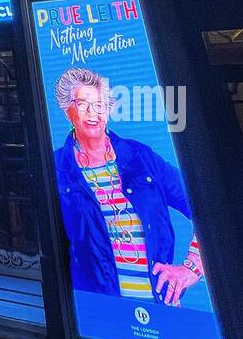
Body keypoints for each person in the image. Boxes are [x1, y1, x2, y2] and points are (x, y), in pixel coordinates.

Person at [53, 67, 203, 307]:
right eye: (82, 104)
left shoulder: (141, 157)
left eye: (100, 104)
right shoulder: (57, 169)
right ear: (67, 110)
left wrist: (192, 268)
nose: (93, 113)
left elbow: (203, 205)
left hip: (160, 306)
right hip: (98, 311)